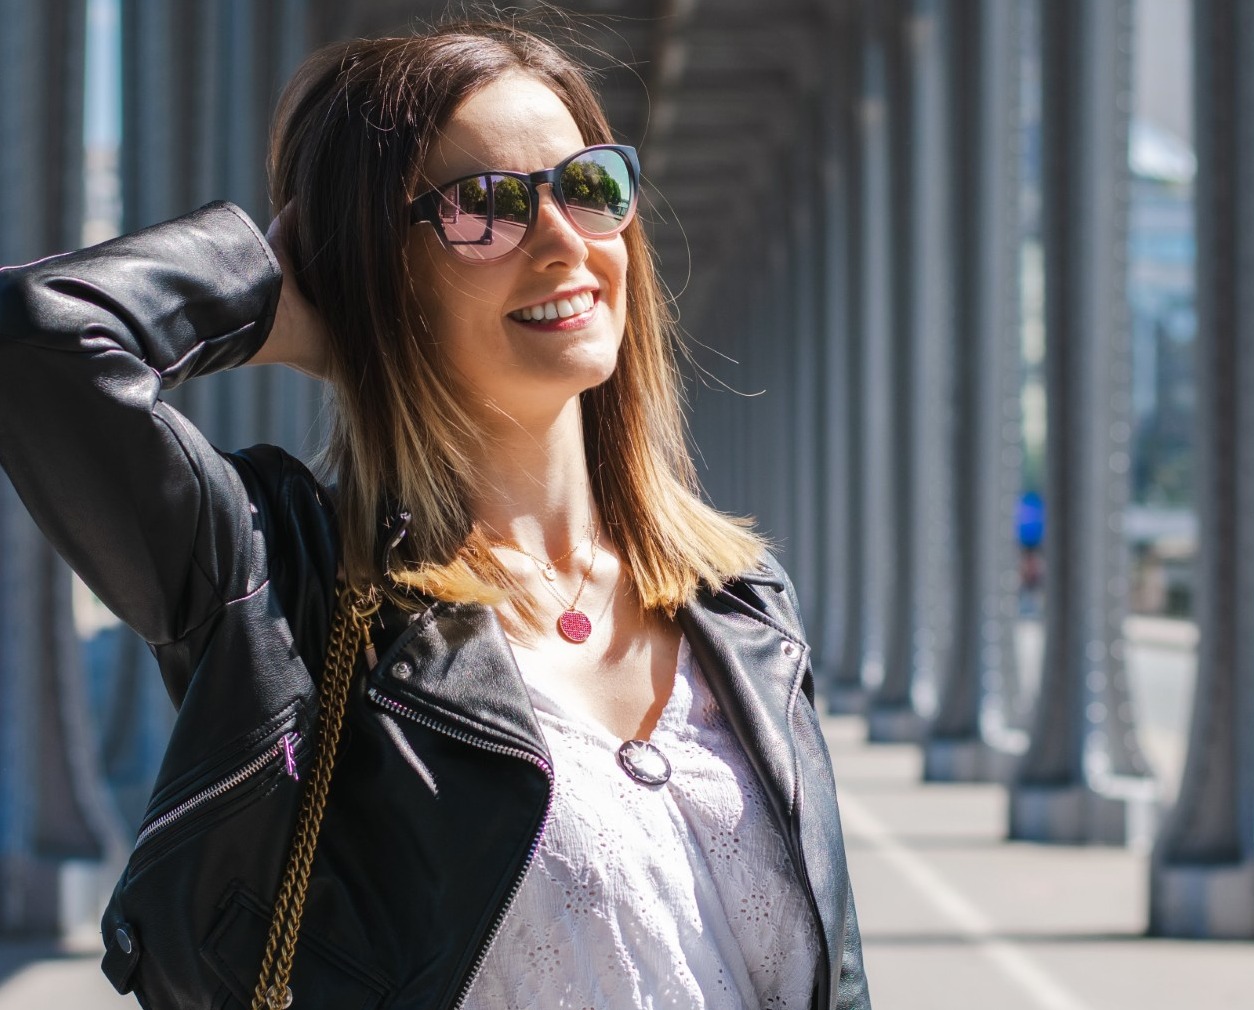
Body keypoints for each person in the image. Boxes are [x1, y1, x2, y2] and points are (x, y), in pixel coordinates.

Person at [0, 19, 869, 1010]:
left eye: (587, 186)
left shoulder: (739, 605)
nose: (562, 242)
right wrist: (276, 281)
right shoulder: (286, 584)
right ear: (374, 268)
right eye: (483, 208)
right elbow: (37, 343)